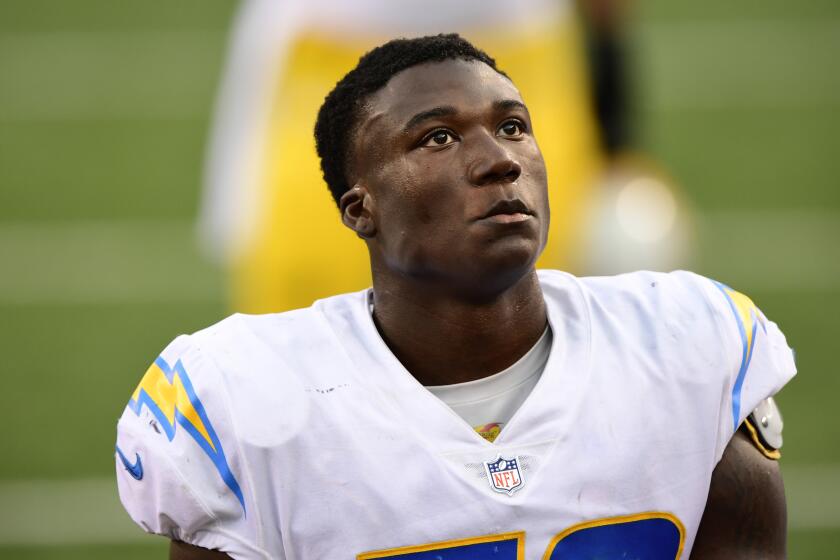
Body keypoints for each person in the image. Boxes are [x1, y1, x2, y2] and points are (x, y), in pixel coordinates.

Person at [116, 35, 795, 559]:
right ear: (360, 208)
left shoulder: (687, 349)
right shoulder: (247, 402)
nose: (500, 159)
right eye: (438, 138)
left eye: (512, 126)